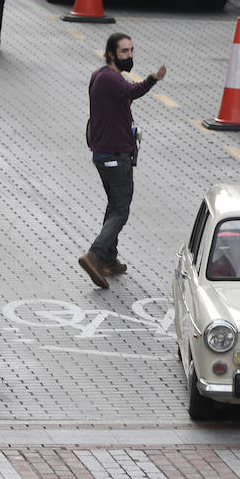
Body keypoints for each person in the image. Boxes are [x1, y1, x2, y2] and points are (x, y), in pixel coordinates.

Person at [79, 33, 166, 289]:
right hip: (116, 156)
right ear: (111, 54)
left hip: (104, 155)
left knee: (114, 205)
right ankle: (94, 255)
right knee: (120, 210)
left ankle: (109, 259)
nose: (129, 56)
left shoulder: (99, 76)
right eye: (124, 52)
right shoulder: (110, 78)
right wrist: (153, 79)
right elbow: (132, 90)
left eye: (131, 50)